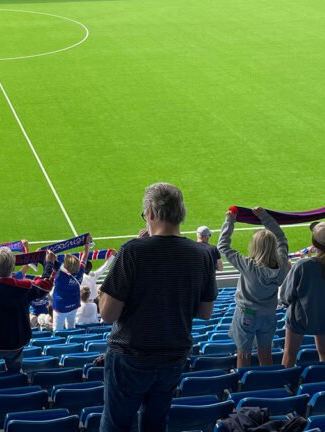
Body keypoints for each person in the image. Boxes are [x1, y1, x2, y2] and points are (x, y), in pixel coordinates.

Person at [99, 183, 216, 432]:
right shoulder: (203, 255)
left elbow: (107, 315)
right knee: (155, 425)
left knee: (116, 426)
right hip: (173, 357)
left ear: (150, 213)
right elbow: (206, 313)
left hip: (131, 356)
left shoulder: (132, 252)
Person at [219, 207, 288, 367]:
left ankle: (244, 387)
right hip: (269, 315)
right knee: (265, 352)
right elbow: (281, 238)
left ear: (255, 247)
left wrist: (229, 221)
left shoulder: (248, 265)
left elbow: (223, 246)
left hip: (246, 315)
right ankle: (266, 383)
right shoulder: (282, 264)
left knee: (243, 353)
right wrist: (265, 217)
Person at [281, 222, 325, 367]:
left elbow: (286, 295)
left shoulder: (303, 265)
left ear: (314, 242)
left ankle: (286, 382)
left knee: (289, 353)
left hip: (299, 318)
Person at [53, 243, 89, 330]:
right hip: (74, 305)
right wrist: (87, 246)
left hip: (61, 307)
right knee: (71, 327)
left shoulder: (61, 275)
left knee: (57, 330)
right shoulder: (80, 271)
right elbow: (84, 258)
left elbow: (50, 261)